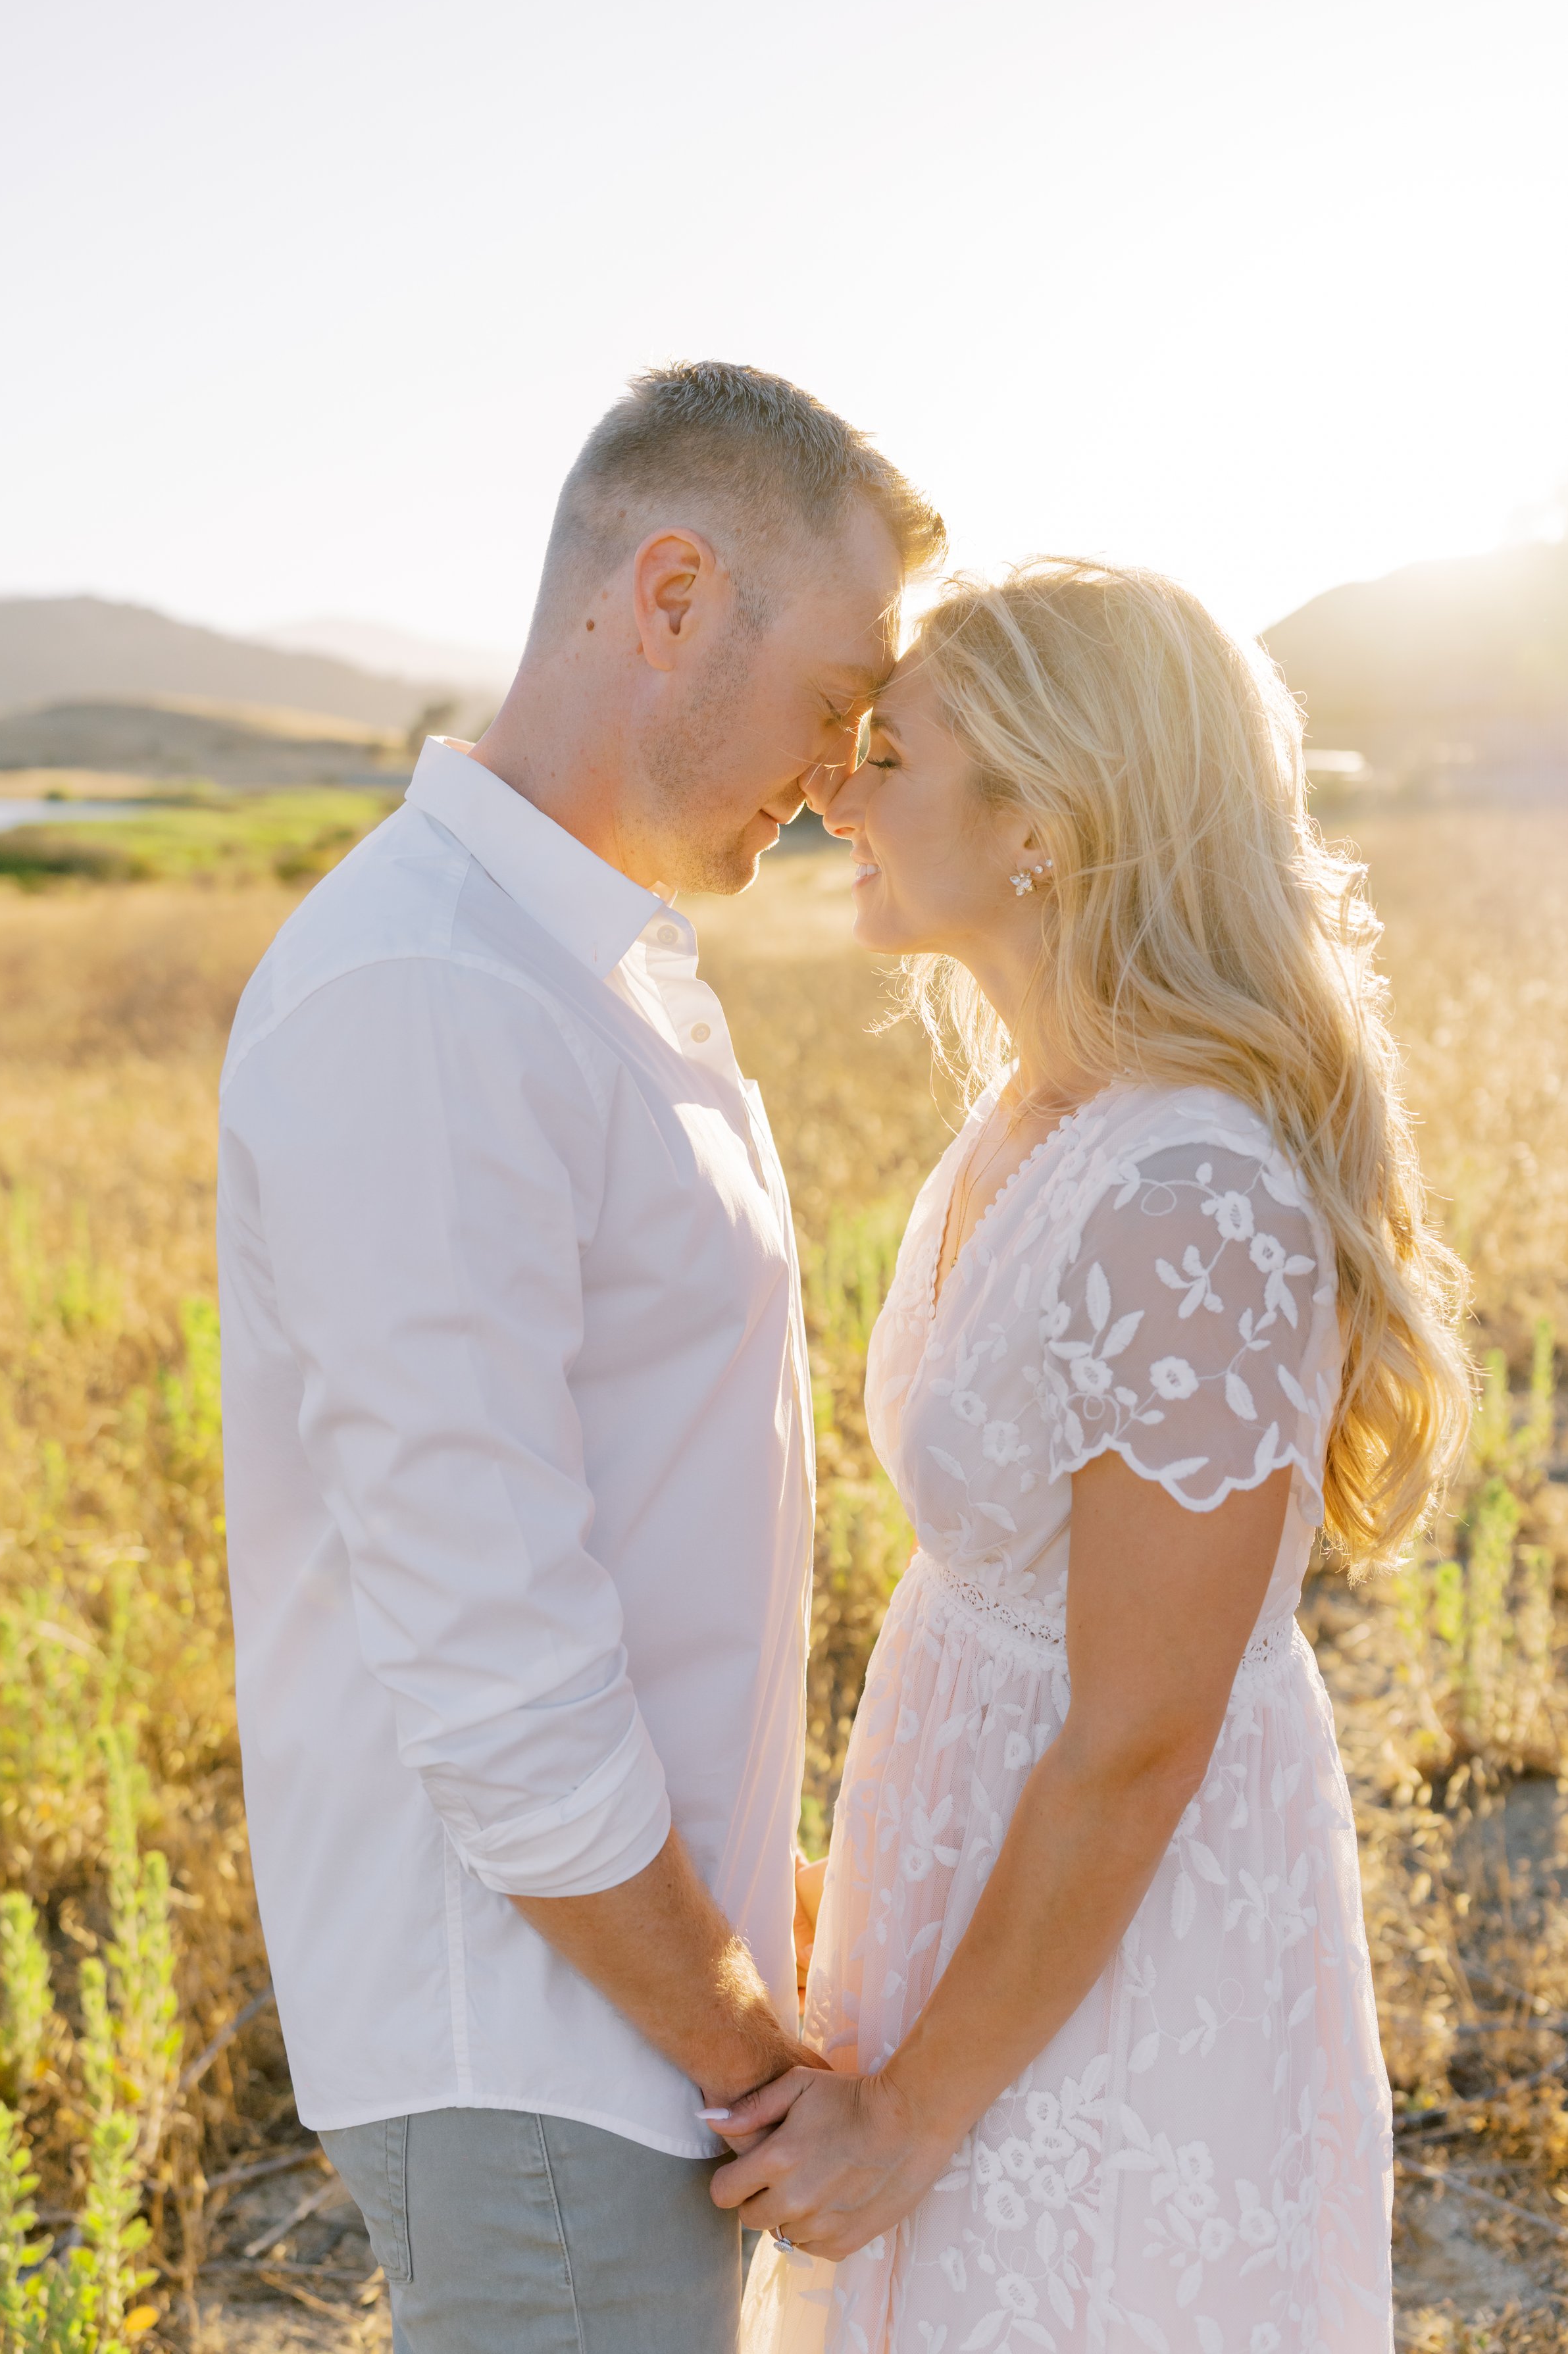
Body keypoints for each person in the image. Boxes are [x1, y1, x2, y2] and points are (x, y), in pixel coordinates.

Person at [216, 361, 943, 2354]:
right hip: (548, 2048)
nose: (842, 764)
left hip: (608, 2033)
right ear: (675, 593)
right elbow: (489, 1645)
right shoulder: (431, 994)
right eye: (834, 694)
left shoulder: (577, 961)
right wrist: (738, 2042)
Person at [707, 559, 1471, 2353]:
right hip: (975, 1858)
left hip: (1115, 1931)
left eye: (888, 754)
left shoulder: (1192, 1195)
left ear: (1041, 822)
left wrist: (908, 2116)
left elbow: (1137, 1735)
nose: (834, 787)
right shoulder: (1030, 1115)